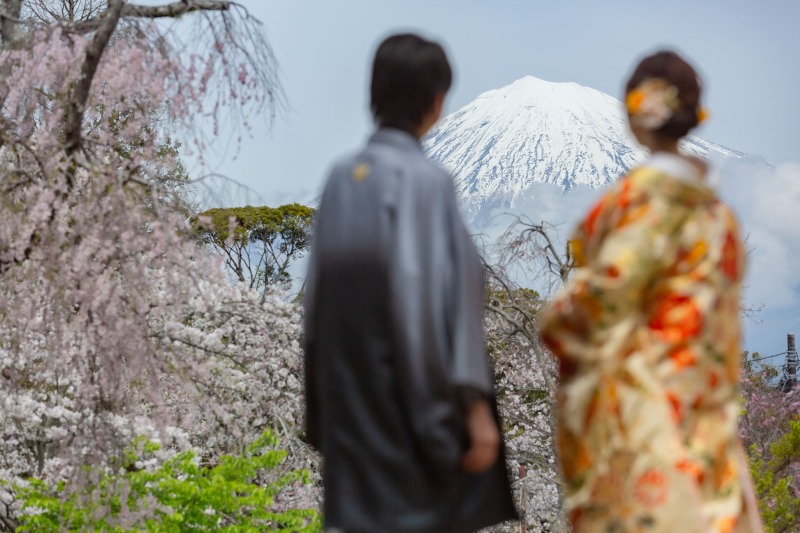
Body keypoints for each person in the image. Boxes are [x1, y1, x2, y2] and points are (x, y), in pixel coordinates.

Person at [539, 51, 764, 533]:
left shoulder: (644, 201)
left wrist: (554, 318)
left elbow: (601, 297)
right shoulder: (719, 216)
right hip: (707, 413)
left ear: (636, 113)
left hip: (648, 420)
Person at [303, 33, 517, 533]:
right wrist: (475, 408)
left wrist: (321, 412)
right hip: (413, 404)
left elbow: (315, 302)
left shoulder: (339, 177)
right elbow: (448, 301)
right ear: (437, 100)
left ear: (373, 93)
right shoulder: (426, 181)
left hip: (349, 403)